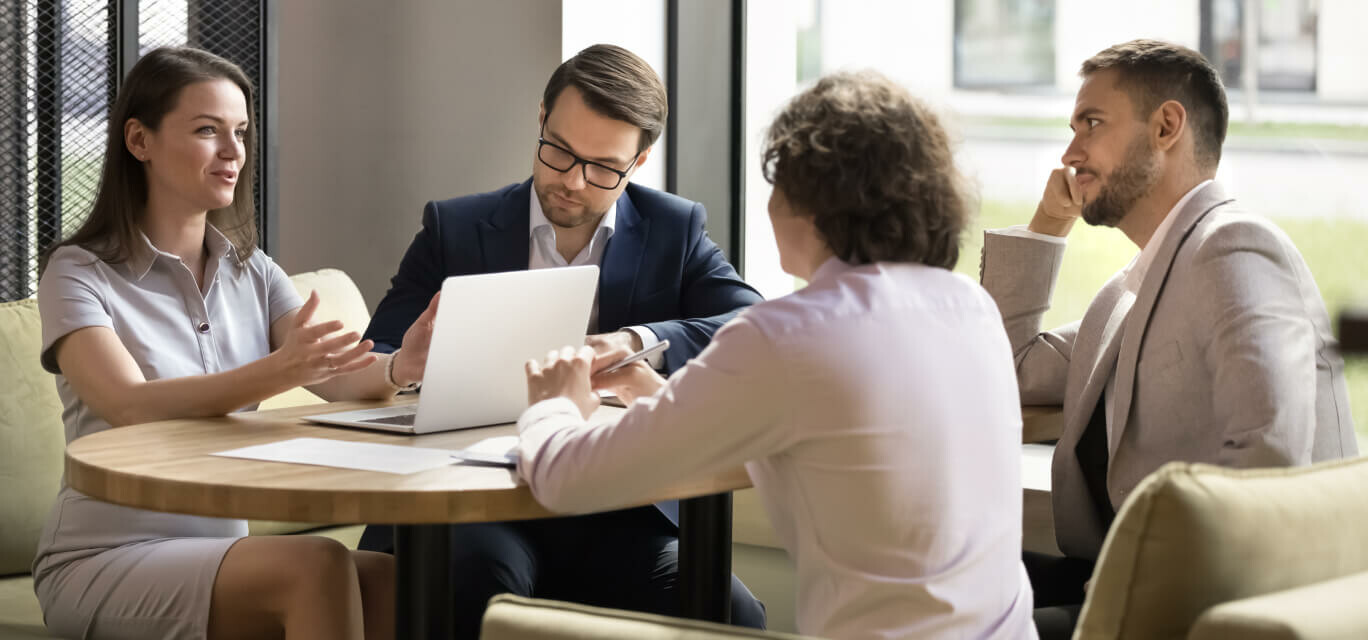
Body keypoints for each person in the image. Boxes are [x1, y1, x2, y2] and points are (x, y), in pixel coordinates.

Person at [517, 71, 1037, 640]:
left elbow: (566, 482)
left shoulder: (789, 334)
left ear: (806, 201)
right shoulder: (970, 308)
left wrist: (553, 404)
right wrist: (663, 399)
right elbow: (830, 439)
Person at [355, 44, 765, 635]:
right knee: (473, 579)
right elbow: (379, 355)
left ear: (640, 160)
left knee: (732, 610)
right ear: (542, 117)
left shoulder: (674, 228)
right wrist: (405, 365)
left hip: (617, 506)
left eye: (603, 168)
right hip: (475, 498)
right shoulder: (456, 227)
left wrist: (633, 340)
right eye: (560, 151)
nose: (572, 181)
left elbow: (750, 325)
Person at [31, 47, 435, 640]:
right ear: (139, 140)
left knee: (391, 579)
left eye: (240, 132)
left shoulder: (254, 271)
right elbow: (128, 405)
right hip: (103, 557)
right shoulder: (77, 272)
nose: (233, 152)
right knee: (317, 566)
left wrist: (403, 364)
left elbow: (339, 376)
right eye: (207, 130)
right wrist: (279, 370)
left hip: (222, 555)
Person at [977, 39, 1358, 636]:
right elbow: (1012, 368)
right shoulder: (1128, 291)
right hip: (1121, 575)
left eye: (1092, 124)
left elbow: (1268, 455)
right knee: (940, 595)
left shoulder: (1235, 246)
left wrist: (1142, 577)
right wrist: (1048, 224)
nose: (1070, 153)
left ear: (1166, 127)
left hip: (1214, 597)